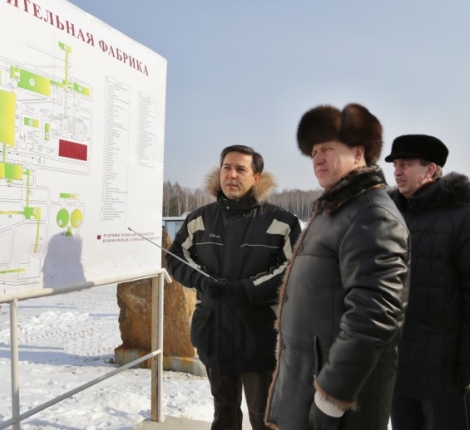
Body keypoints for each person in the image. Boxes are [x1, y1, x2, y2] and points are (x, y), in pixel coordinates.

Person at [265, 103, 410, 430]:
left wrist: (330, 397)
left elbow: (373, 317)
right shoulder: (336, 210)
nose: (317, 158)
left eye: (328, 148)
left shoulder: (372, 214)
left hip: (338, 401)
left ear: (359, 153)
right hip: (306, 384)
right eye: (314, 151)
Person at [166, 144, 301, 430]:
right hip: (213, 332)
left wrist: (247, 289)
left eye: (241, 169)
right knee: (224, 412)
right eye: (227, 167)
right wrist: (202, 281)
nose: (232, 175)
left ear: (256, 177)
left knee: (264, 416)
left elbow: (293, 269)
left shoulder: (282, 222)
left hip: (260, 337)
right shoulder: (199, 219)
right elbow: (176, 258)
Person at [384, 134, 470, 430]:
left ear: (431, 169)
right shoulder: (389, 216)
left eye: (405, 164)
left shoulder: (461, 217)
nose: (397, 171)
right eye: (395, 164)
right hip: (398, 366)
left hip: (445, 371)